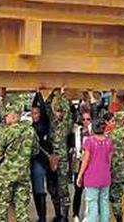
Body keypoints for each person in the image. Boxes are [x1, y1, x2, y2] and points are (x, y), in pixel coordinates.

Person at [0, 102, 39, 222]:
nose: (5, 118)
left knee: (2, 208)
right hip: (23, 173)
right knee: (22, 209)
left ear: (13, 116)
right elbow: (35, 151)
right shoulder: (30, 131)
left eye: (7, 115)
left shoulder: (5, 132)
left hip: (6, 175)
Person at [44, 89, 73, 222]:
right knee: (52, 188)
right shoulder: (51, 122)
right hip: (50, 160)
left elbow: (67, 111)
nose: (58, 113)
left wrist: (61, 95)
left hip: (62, 161)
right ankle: (58, 214)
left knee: (63, 190)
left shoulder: (66, 124)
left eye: (60, 111)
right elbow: (46, 107)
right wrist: (52, 93)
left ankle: (65, 216)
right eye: (57, 111)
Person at [77, 118, 113, 222]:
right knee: (104, 203)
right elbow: (109, 161)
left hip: (92, 177)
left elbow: (85, 160)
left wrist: (80, 176)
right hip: (105, 177)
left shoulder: (89, 141)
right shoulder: (109, 141)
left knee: (92, 205)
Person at [29, 94, 52, 222]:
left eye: (36, 113)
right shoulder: (32, 126)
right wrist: (35, 96)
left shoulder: (42, 125)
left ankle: (42, 218)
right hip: (34, 160)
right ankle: (40, 217)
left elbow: (43, 110)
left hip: (40, 161)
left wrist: (38, 95)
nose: (34, 115)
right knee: (36, 189)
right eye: (33, 113)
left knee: (39, 188)